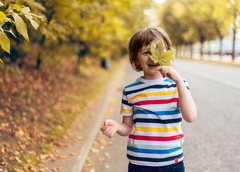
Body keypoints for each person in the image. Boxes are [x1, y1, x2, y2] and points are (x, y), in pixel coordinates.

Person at [100, 27, 197, 172]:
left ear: (169, 55)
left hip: (172, 162)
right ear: (136, 59)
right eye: (146, 52)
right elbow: (127, 127)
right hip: (139, 163)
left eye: (158, 51)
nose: (153, 57)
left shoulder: (178, 85)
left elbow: (190, 117)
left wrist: (178, 81)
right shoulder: (130, 91)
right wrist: (116, 126)